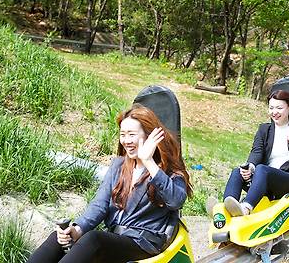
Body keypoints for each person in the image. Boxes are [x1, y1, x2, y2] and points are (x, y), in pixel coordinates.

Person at [27, 104, 192, 263]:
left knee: (94, 239)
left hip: (143, 241)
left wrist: (148, 161)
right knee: (60, 237)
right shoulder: (118, 165)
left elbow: (176, 201)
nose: (126, 141)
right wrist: (77, 230)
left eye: (132, 134)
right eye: (123, 134)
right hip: (114, 238)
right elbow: (99, 205)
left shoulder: (169, 172)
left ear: (148, 136)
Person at [222, 90, 289, 216]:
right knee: (237, 172)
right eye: (271, 108)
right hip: (264, 178)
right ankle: (225, 212)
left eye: (279, 108)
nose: (274, 112)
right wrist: (250, 167)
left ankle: (245, 208)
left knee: (262, 169)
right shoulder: (264, 129)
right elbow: (256, 152)